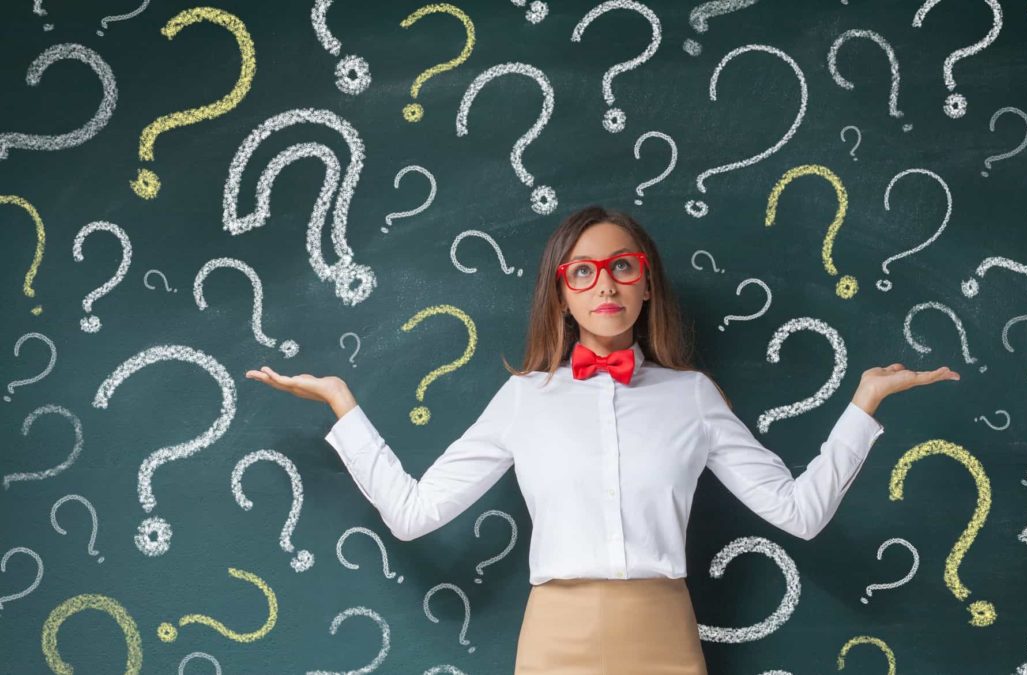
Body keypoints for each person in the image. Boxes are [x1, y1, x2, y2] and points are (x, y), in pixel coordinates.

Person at [246, 205, 960, 674]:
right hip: (556, 636)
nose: (605, 284)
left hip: (664, 634)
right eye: (581, 271)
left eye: (623, 266)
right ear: (562, 293)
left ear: (647, 285)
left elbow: (799, 511)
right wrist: (343, 406)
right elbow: (413, 512)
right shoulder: (525, 398)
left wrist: (864, 403)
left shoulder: (693, 397)